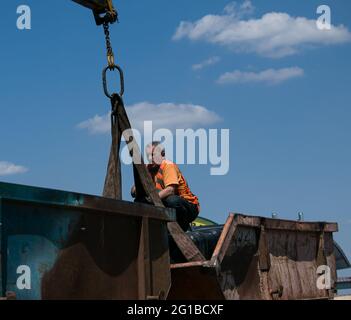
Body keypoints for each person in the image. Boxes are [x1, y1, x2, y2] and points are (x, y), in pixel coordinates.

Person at [131, 141, 200, 231]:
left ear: (162, 154)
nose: (150, 158)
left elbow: (170, 190)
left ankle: (182, 228)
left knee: (172, 200)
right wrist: (138, 188)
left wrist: (151, 200)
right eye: (148, 155)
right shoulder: (149, 168)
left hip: (188, 206)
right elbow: (133, 191)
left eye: (153, 155)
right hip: (163, 200)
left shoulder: (168, 165)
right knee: (139, 201)